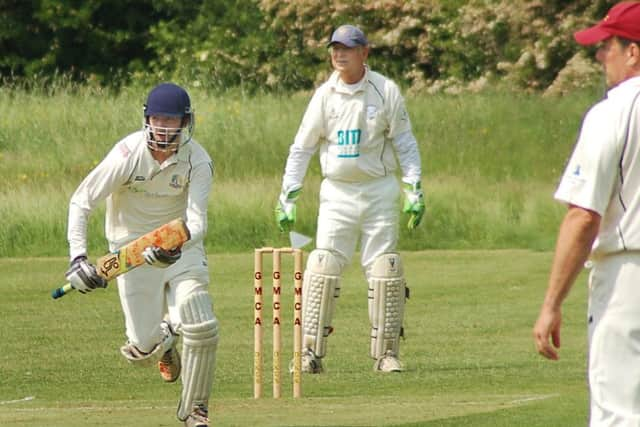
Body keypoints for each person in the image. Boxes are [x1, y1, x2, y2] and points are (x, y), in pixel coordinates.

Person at [65, 83, 218, 427]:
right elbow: (81, 201)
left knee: (201, 324)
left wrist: (172, 248)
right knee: (141, 346)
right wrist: (78, 258)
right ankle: (164, 342)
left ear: (185, 122)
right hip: (130, 254)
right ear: (147, 119)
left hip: (181, 250)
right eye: (157, 118)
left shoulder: (198, 160)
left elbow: (197, 222)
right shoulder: (127, 153)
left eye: (172, 120)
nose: (163, 127)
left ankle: (196, 412)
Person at [275, 24, 425, 373]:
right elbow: (302, 147)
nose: (339, 55)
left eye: (347, 48)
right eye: (335, 48)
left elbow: (405, 142)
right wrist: (288, 195)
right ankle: (310, 354)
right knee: (323, 265)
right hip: (337, 192)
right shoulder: (324, 95)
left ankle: (386, 355)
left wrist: (413, 187)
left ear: (364, 53)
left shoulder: (385, 90)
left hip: (378, 189)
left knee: (386, 269)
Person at [532, 2, 640, 425]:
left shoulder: (613, 113)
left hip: (628, 277)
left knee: (621, 413)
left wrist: (551, 303)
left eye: (607, 46)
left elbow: (583, 217)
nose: (600, 57)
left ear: (634, 52)